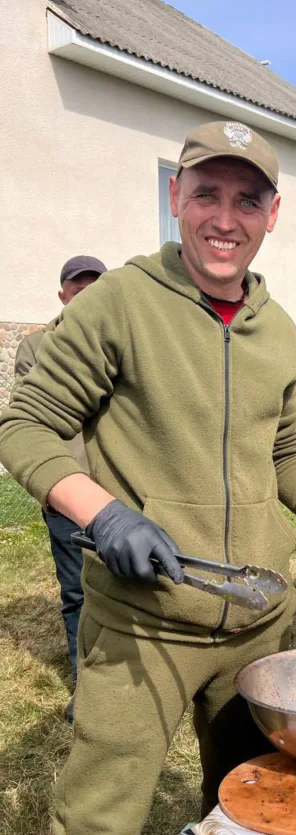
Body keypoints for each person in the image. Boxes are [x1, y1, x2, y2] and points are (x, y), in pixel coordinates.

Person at [0, 120, 296, 835]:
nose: (225, 217)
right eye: (206, 193)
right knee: (95, 834)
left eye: (246, 199)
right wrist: (100, 511)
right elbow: (27, 425)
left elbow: (284, 451)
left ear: (273, 214)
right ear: (176, 197)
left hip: (255, 626)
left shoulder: (278, 328)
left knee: (252, 808)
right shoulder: (122, 302)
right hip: (142, 625)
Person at [13, 256, 107, 719]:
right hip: (69, 496)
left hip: (122, 494)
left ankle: (128, 684)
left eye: (96, 287)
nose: (86, 295)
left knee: (127, 593)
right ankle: (86, 687)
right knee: (77, 595)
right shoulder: (37, 348)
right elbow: (31, 419)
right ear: (63, 295)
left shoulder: (122, 342)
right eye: (78, 288)